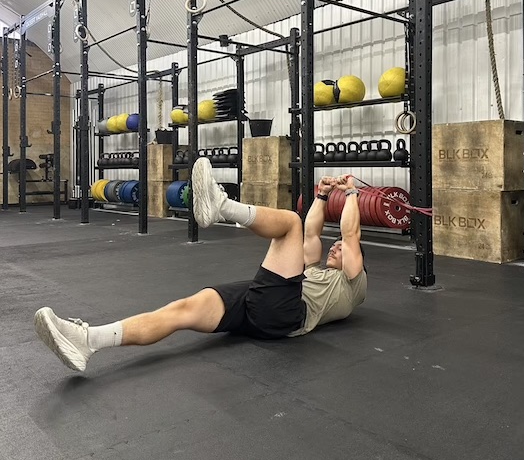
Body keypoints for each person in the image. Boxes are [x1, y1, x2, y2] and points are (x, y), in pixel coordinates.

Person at [33, 159, 367, 372]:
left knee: (289, 223)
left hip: (288, 315)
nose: (335, 245)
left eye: (340, 247)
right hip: (260, 301)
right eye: (333, 244)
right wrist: (323, 195)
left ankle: (222, 206)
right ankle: (88, 340)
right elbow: (313, 231)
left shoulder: (351, 284)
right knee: (182, 309)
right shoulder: (311, 270)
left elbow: (350, 233)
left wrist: (351, 194)